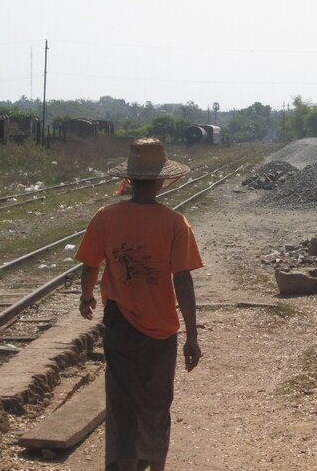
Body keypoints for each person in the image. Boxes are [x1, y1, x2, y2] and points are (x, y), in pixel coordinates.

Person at [76, 138, 203, 471]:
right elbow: (183, 280)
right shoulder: (176, 223)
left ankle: (126, 463)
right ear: (161, 180)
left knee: (122, 400)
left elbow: (90, 265)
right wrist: (192, 335)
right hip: (162, 326)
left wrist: (86, 297)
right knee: (157, 401)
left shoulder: (105, 217)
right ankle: (155, 464)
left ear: (129, 179)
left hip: (120, 322)